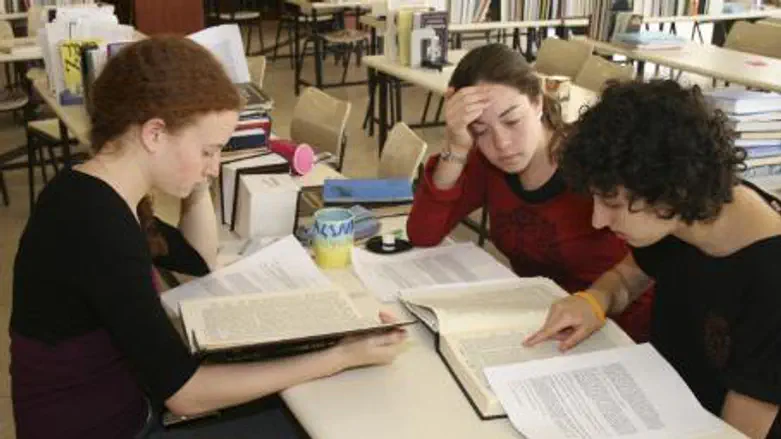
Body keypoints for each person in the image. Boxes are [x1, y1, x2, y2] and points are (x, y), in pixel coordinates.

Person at [10, 36, 407, 439]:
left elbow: (197, 259)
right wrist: (339, 356)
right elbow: (184, 393)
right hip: (111, 428)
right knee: (315, 420)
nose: (216, 167)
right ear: (154, 134)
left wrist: (196, 178)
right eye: (208, 151)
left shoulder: (96, 188)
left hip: (123, 408)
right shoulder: (96, 225)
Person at [524, 79, 781, 439]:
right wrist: (594, 300)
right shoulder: (680, 217)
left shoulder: (770, 282)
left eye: (612, 204)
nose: (598, 220)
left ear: (671, 190)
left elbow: (737, 434)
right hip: (658, 402)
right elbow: (628, 279)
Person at [406, 43, 653, 342]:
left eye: (512, 121)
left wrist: (597, 301)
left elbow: (655, 257)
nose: (502, 144)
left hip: (616, 328)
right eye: (480, 130)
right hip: (539, 324)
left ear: (537, 102)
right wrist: (456, 145)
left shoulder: (592, 158)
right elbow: (422, 233)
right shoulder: (487, 162)